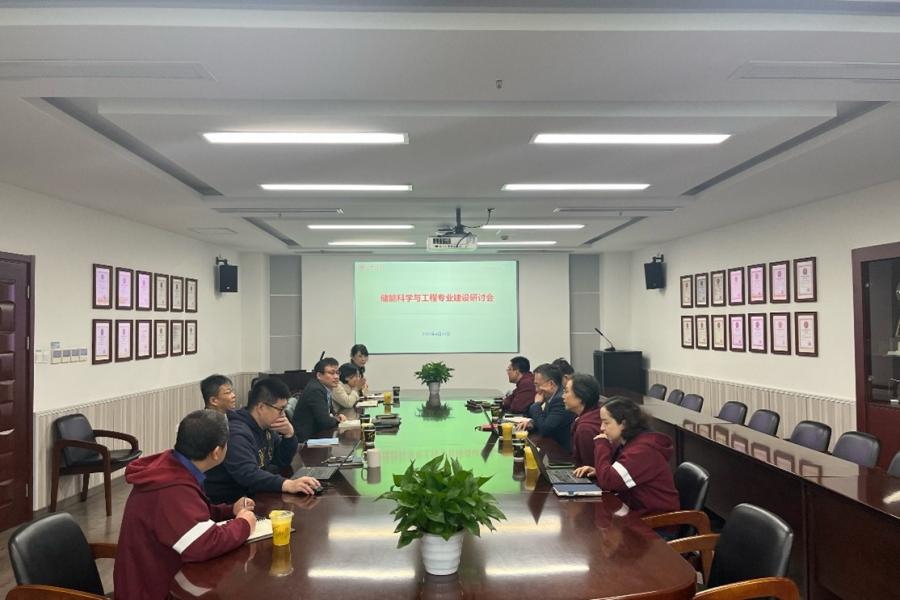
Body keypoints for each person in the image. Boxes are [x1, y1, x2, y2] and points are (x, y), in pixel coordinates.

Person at [114, 410, 256, 600]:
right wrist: (244, 524)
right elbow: (203, 544)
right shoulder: (171, 487)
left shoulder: (175, 466)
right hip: (152, 591)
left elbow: (192, 517)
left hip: (160, 576)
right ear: (216, 452)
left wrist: (230, 510)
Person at [205, 378, 319, 503]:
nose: (283, 415)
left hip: (253, 496)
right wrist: (287, 484)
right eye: (280, 409)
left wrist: (289, 435)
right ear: (261, 407)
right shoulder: (236, 433)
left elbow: (281, 461)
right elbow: (247, 474)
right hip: (229, 503)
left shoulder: (266, 426)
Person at [573, 397, 679, 517]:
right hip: (636, 514)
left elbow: (608, 482)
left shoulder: (642, 451)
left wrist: (602, 445)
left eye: (606, 422)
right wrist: (599, 472)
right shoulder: (632, 443)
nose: (601, 428)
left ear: (623, 424)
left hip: (655, 522)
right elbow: (617, 477)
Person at [516, 363, 575, 451]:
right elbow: (547, 421)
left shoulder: (560, 400)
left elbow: (545, 429)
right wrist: (532, 424)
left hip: (561, 452)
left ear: (551, 384)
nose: (536, 389)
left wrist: (536, 405)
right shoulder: (551, 396)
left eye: (537, 385)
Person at [293, 357, 347, 441]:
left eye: (337, 373)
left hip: (318, 434)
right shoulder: (315, 390)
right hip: (308, 440)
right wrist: (337, 419)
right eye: (331, 373)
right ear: (319, 375)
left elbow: (330, 413)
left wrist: (336, 416)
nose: (336, 377)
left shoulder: (323, 388)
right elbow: (325, 422)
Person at [563, 373, 603, 467]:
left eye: (566, 392)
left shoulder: (585, 428)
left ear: (581, 396)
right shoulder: (595, 412)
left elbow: (588, 467)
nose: (563, 396)